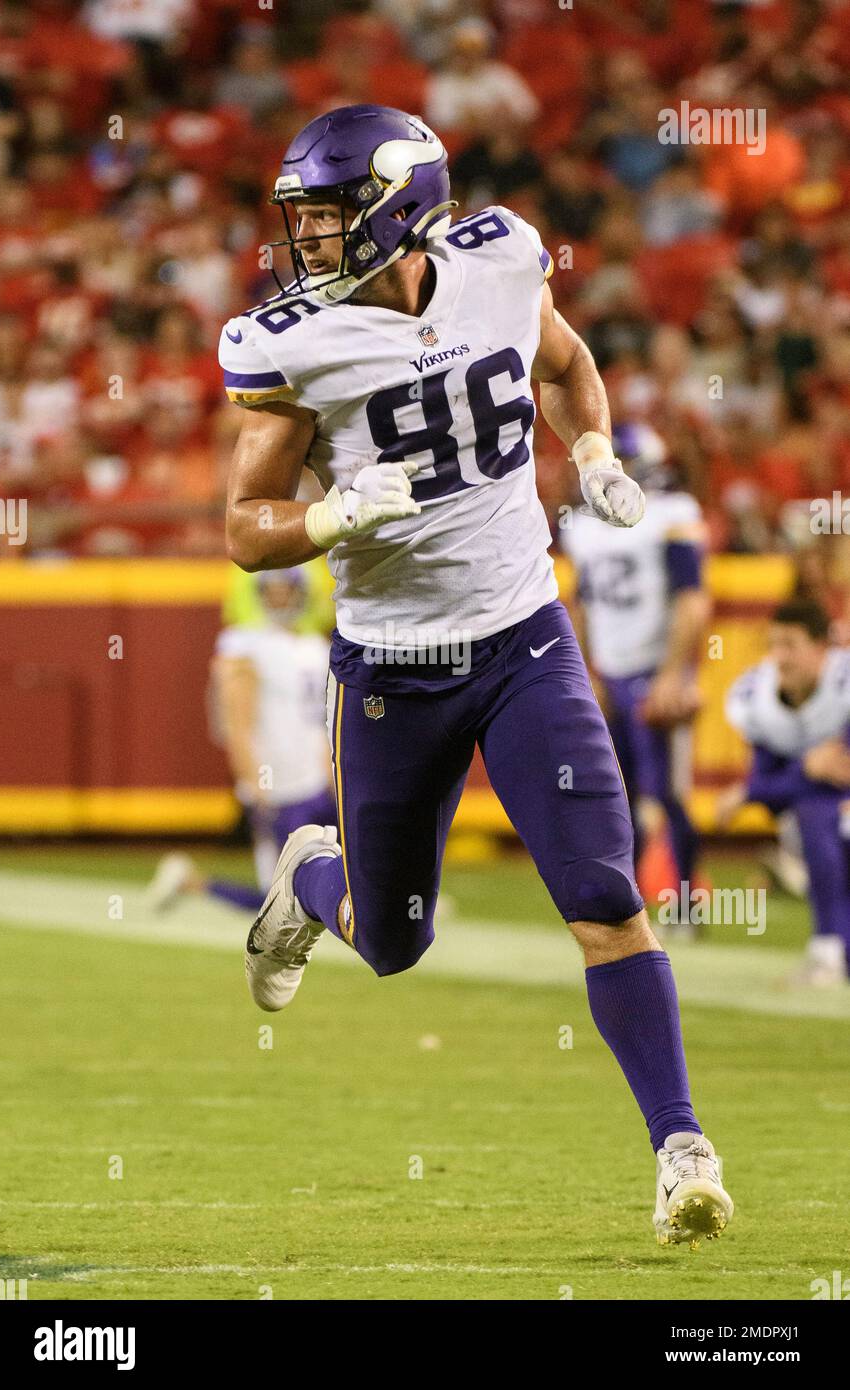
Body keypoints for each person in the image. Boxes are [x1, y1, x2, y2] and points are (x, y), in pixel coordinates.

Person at [219, 103, 733, 1248]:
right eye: (296, 220)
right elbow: (246, 530)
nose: (303, 241)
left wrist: (590, 447)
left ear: (398, 206)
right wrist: (332, 512)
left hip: (522, 640)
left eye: (325, 215)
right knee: (393, 941)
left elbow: (567, 362)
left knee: (602, 896)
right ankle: (312, 880)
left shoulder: (500, 258)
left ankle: (679, 1146)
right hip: (394, 668)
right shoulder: (289, 341)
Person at [560, 422, 709, 926]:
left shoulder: (671, 514)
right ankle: (630, 904)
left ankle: (687, 907)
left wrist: (673, 674)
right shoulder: (582, 527)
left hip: (653, 666)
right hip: (611, 670)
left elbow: (692, 601)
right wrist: (589, 676)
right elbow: (579, 606)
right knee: (614, 794)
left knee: (667, 792)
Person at [150, 568, 335, 915]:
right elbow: (236, 721)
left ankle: (399, 908)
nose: (280, 598)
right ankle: (192, 882)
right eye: (274, 591)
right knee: (282, 899)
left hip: (319, 777)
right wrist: (251, 779)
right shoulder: (245, 645)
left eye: (286, 590)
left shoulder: (317, 647)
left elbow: (326, 721)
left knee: (336, 872)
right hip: (278, 779)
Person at [722, 598, 850, 986]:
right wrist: (806, 769)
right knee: (814, 814)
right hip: (819, 817)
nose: (780, 657)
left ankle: (830, 949)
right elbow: (768, 787)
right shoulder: (758, 697)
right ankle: (831, 950)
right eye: (773, 644)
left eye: (790, 645)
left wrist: (749, 792)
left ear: (821, 648)